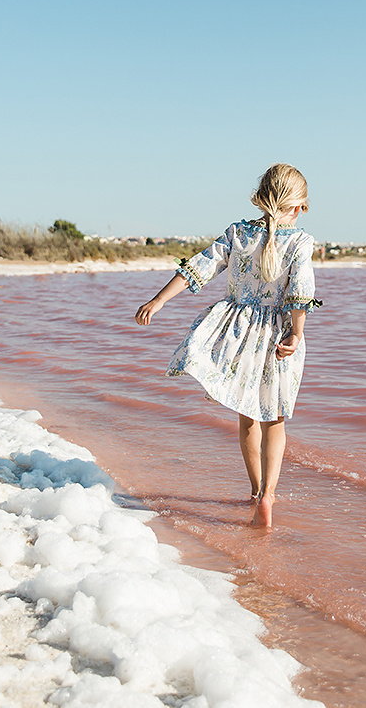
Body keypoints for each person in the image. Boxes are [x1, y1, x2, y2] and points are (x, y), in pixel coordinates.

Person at [135, 163, 319, 528]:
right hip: (276, 336)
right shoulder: (299, 241)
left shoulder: (238, 233)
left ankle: (254, 490)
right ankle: (268, 495)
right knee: (275, 420)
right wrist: (295, 335)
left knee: (246, 413)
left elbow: (198, 268)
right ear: (297, 207)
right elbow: (300, 293)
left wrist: (157, 301)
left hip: (236, 334)